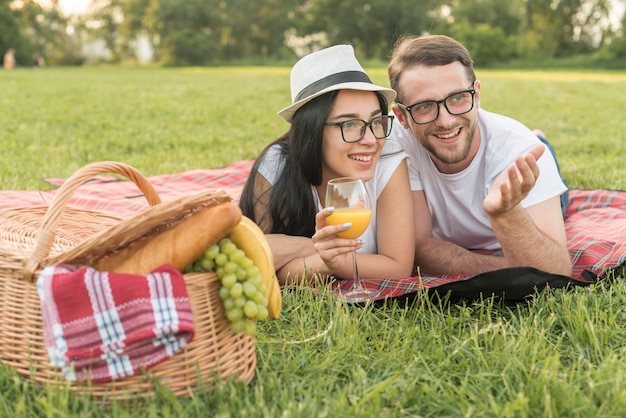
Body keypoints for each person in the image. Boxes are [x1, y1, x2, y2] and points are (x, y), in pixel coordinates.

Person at [387, 34, 572, 277]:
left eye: (458, 98)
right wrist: (513, 268)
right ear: (401, 117)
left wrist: (506, 213)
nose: (446, 120)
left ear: (477, 94)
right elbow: (419, 250)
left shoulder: (520, 149)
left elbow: (556, 271)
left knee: (555, 182)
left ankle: (542, 138)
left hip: (526, 158)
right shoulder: (396, 143)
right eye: (424, 106)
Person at [239, 45, 415, 285]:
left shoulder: (388, 160)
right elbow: (269, 268)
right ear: (312, 132)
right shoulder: (278, 166)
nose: (371, 140)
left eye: (376, 121)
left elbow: (397, 266)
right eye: (349, 124)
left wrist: (317, 254)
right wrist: (320, 253)